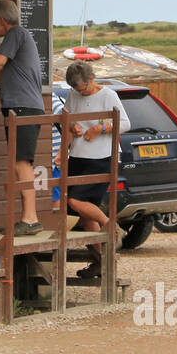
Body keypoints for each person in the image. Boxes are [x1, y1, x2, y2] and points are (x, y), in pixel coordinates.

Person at [61, 61, 130, 278]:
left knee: (74, 200)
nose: (80, 92)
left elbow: (125, 123)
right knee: (82, 210)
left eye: (82, 88)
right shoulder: (74, 95)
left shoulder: (108, 95)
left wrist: (100, 128)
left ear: (92, 79)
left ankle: (111, 225)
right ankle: (101, 261)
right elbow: (67, 118)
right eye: (75, 89)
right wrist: (72, 127)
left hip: (102, 156)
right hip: (78, 156)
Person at [0, 0, 45, 236]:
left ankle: (30, 218)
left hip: (23, 107)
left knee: (22, 163)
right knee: (19, 162)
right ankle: (28, 217)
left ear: (1, 21)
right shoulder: (23, 37)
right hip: (23, 106)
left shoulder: (16, 33)